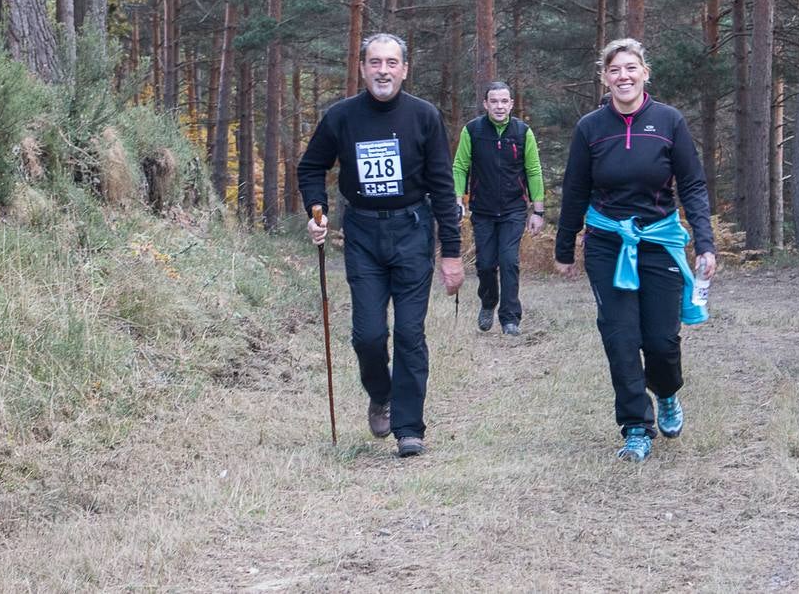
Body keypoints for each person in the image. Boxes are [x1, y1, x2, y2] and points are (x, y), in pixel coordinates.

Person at [298, 33, 464, 458]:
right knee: (368, 335)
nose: (383, 71)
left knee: (410, 332)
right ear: (363, 68)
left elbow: (444, 188)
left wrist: (450, 252)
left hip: (412, 230)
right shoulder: (341, 116)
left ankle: (409, 428)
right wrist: (316, 213)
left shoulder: (424, 117)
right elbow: (311, 166)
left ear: (405, 69)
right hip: (363, 234)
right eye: (375, 62)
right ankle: (381, 394)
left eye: (392, 63)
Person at [553, 38, 716, 463]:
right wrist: (565, 248)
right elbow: (575, 189)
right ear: (604, 78)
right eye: (614, 70)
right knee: (621, 336)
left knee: (660, 341)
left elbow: (693, 184)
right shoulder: (591, 127)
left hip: (659, 241)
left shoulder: (669, 121)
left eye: (631, 68)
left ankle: (666, 393)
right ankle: (635, 428)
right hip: (607, 241)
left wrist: (705, 241)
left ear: (645, 73)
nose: (623, 76)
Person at [453, 81, 545, 336]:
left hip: (514, 210)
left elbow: (534, 171)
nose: (499, 106)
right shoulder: (472, 130)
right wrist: (458, 200)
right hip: (482, 210)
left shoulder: (522, 132)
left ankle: (510, 318)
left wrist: (537, 212)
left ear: (511, 104)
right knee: (484, 264)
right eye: (494, 101)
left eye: (504, 101)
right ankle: (488, 301)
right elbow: (460, 167)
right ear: (485, 104)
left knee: (509, 261)